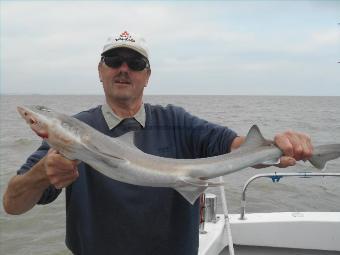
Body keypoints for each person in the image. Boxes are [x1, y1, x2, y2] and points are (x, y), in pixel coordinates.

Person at [3, 31, 313, 255]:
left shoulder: (178, 121)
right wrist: (43, 172)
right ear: (100, 70)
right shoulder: (74, 134)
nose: (124, 68)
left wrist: (276, 149)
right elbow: (12, 205)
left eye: (135, 62)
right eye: (114, 59)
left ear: (147, 75)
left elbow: (236, 147)